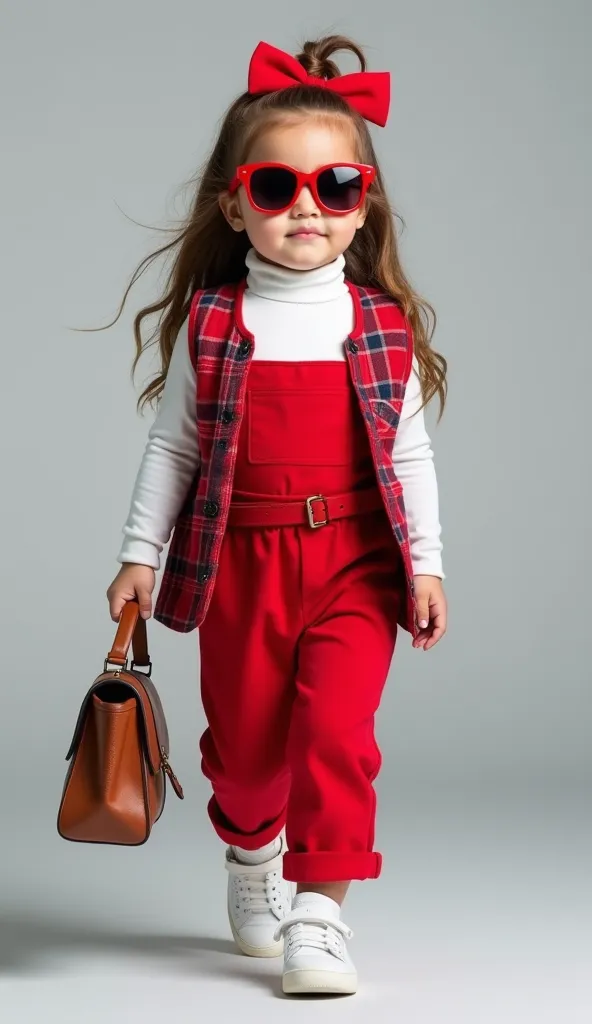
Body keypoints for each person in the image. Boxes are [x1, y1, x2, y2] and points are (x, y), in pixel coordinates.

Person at [106, 35, 448, 996]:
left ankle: (321, 915)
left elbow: (408, 453)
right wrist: (140, 551)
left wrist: (426, 563)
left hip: (355, 559)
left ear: (361, 204)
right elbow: (173, 447)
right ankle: (252, 851)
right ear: (234, 202)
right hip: (238, 563)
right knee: (250, 753)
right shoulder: (215, 325)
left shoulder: (379, 325)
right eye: (277, 185)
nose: (308, 205)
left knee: (338, 737)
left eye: (336, 185)